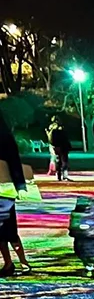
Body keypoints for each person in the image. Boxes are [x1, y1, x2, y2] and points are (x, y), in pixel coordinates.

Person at [0, 112, 31, 277]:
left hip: (4, 189)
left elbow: (14, 162)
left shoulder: (4, 138)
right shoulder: (6, 137)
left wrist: (20, 185)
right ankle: (9, 263)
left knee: (9, 229)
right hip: (5, 188)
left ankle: (22, 262)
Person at [46, 117, 72, 182]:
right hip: (62, 146)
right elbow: (66, 138)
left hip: (56, 146)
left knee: (59, 161)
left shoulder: (51, 128)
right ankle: (64, 175)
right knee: (64, 161)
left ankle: (59, 175)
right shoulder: (61, 128)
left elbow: (50, 139)